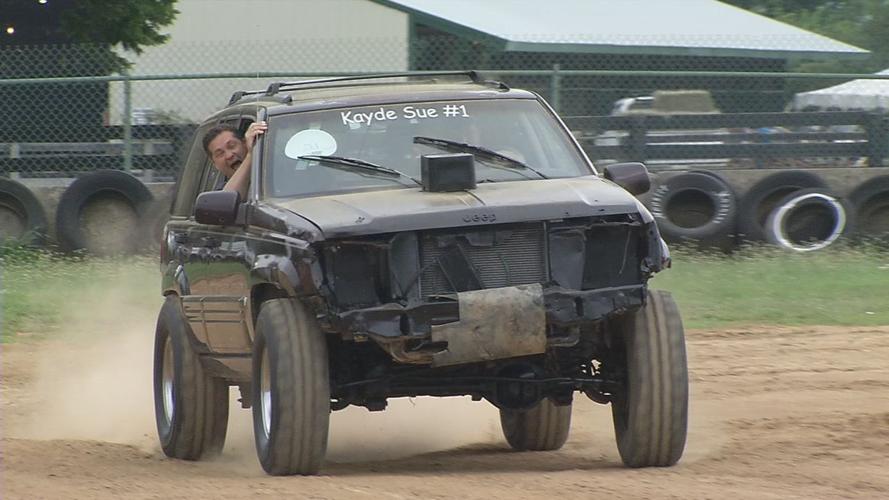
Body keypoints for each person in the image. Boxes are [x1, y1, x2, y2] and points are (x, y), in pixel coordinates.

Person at [202, 121, 267, 200]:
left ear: (244, 143)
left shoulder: (272, 174)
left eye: (232, 146)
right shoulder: (221, 193)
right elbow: (227, 201)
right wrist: (250, 155)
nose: (229, 155)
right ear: (215, 164)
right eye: (220, 153)